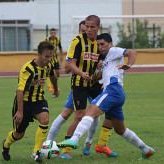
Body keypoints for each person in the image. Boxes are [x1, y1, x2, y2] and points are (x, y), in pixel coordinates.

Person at [57, 33, 155, 160]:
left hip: (113, 90)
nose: (100, 47)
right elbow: (100, 77)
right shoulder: (107, 59)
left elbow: (132, 52)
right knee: (121, 130)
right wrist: (92, 78)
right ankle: (146, 149)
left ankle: (74, 139)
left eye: (102, 44)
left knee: (90, 111)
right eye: (98, 45)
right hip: (117, 94)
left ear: (110, 44)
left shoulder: (114, 51)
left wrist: (129, 64)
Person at [47, 16, 116, 160]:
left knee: (104, 112)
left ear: (98, 27)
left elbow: (102, 62)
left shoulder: (99, 43)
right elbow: (70, 64)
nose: (89, 30)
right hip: (79, 83)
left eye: (92, 27)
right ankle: (65, 150)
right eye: (87, 27)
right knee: (77, 116)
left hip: (94, 83)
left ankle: (93, 144)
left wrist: (101, 66)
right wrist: (81, 73)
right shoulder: (77, 40)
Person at [1, 41, 59, 163]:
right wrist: (20, 112)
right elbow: (20, 91)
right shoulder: (28, 69)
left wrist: (55, 88)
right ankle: (5, 145)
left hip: (39, 101)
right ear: (39, 54)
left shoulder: (48, 65)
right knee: (19, 135)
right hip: (24, 103)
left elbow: (53, 75)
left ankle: (36, 152)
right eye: (46, 57)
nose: (49, 59)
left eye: (51, 56)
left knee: (45, 119)